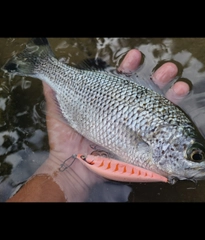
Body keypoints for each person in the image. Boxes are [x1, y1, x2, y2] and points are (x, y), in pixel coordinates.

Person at [7, 49, 190, 202]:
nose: (195, 162)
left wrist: (69, 174)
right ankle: (39, 63)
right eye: (195, 155)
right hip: (86, 97)